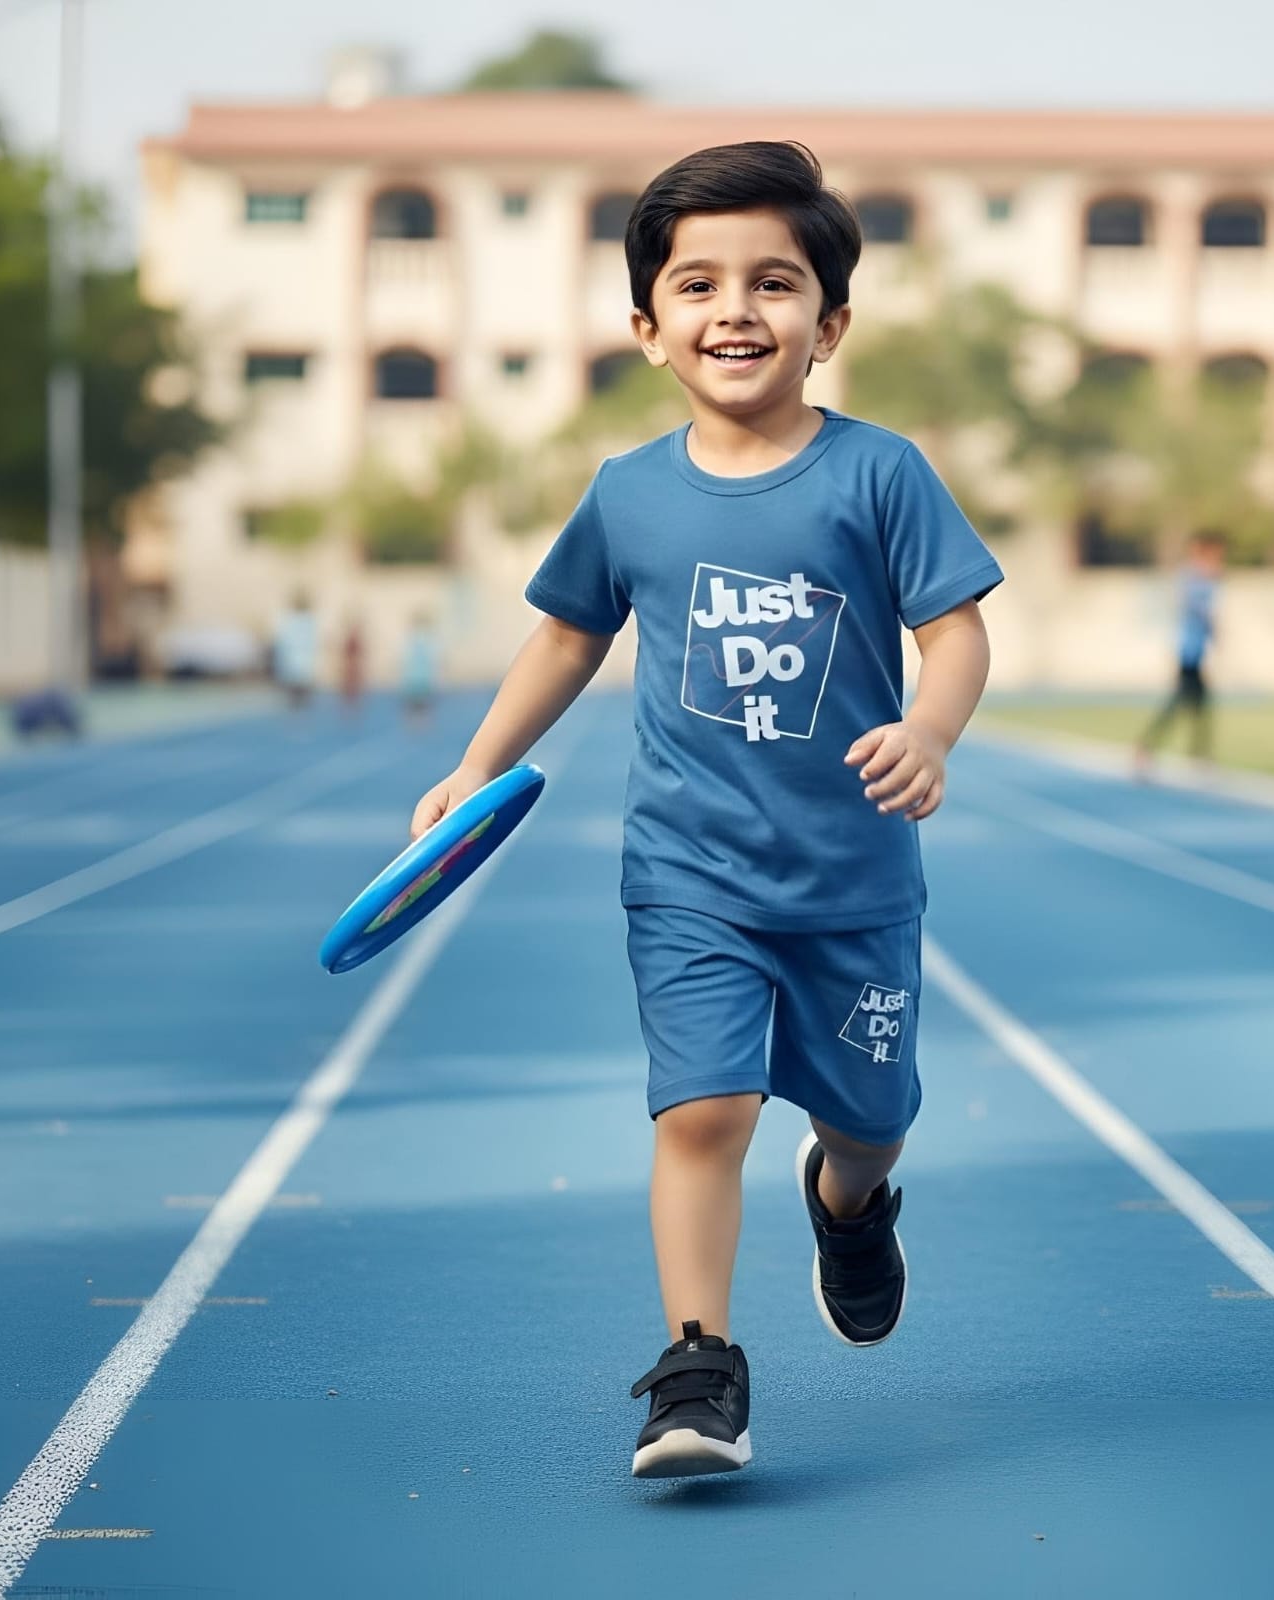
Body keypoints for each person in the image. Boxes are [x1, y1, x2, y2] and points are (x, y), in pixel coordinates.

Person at [409, 142, 1000, 1479]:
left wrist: (930, 725)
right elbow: (564, 640)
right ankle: (697, 1371)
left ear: (829, 324)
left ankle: (848, 1208)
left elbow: (956, 632)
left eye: (775, 282)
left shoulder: (880, 475)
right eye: (699, 283)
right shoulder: (628, 495)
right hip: (691, 874)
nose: (736, 308)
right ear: (647, 327)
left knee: (870, 1116)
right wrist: (474, 763)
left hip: (854, 881)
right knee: (703, 1113)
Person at [1135, 530, 1226, 773]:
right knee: (1180, 703)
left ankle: (1197, 753)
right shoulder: (1194, 578)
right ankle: (1148, 746)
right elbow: (1196, 612)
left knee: (1200, 703)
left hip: (1198, 651)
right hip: (1188, 651)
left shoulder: (1208, 579)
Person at [272, 591, 318, 711]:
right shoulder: (299, 621)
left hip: (298, 667)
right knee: (298, 702)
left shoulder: (304, 621)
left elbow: (283, 644)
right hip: (298, 667)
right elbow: (284, 644)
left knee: (297, 702)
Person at [400, 612, 440, 724]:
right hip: (421, 677)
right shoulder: (428, 638)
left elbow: (405, 657)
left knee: (415, 705)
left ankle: (415, 722)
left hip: (415, 677)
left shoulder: (412, 637)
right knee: (421, 705)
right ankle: (421, 722)